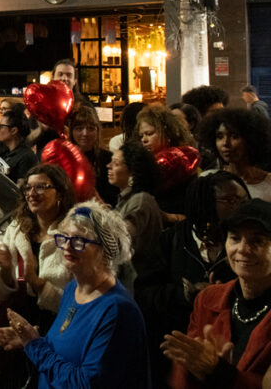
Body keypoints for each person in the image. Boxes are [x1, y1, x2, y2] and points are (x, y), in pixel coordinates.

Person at [0, 201, 149, 389]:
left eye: (79, 241)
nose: (67, 246)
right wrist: (30, 340)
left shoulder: (116, 311)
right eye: (65, 237)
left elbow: (84, 384)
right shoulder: (72, 289)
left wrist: (34, 345)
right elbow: (66, 348)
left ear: (105, 250)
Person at [136, 171, 250, 385]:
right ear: (206, 202)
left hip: (225, 357)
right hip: (173, 352)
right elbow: (145, 293)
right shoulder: (171, 241)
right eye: (231, 200)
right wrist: (186, 295)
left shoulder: (240, 247)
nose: (241, 206)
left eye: (244, 200)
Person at [163, 199, 271, 386]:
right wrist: (194, 368)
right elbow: (182, 377)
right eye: (235, 238)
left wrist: (220, 373)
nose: (243, 250)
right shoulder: (208, 299)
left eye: (257, 241)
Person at [0, 164, 76, 387]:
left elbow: (80, 300)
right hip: (20, 323)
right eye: (28, 188)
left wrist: (39, 286)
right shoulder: (17, 230)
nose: (32, 193)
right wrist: (6, 272)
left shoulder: (75, 234)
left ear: (60, 193)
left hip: (60, 328)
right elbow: (0, 292)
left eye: (42, 187)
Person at [108, 140, 164, 283]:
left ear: (132, 171)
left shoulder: (140, 201)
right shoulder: (126, 199)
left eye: (116, 163)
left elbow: (120, 239)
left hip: (137, 283)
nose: (108, 166)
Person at [198, 107, 271, 201]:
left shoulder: (268, 183)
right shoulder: (207, 180)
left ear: (251, 140)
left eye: (234, 136)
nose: (225, 143)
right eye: (220, 137)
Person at [70, 104, 118, 207]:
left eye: (91, 128)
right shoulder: (66, 159)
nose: (85, 133)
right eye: (79, 128)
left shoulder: (108, 159)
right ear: (71, 132)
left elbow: (113, 199)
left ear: (98, 131)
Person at [0, 105, 37, 181]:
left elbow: (21, 189)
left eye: (1, 126)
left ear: (13, 130)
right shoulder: (4, 151)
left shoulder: (26, 157)